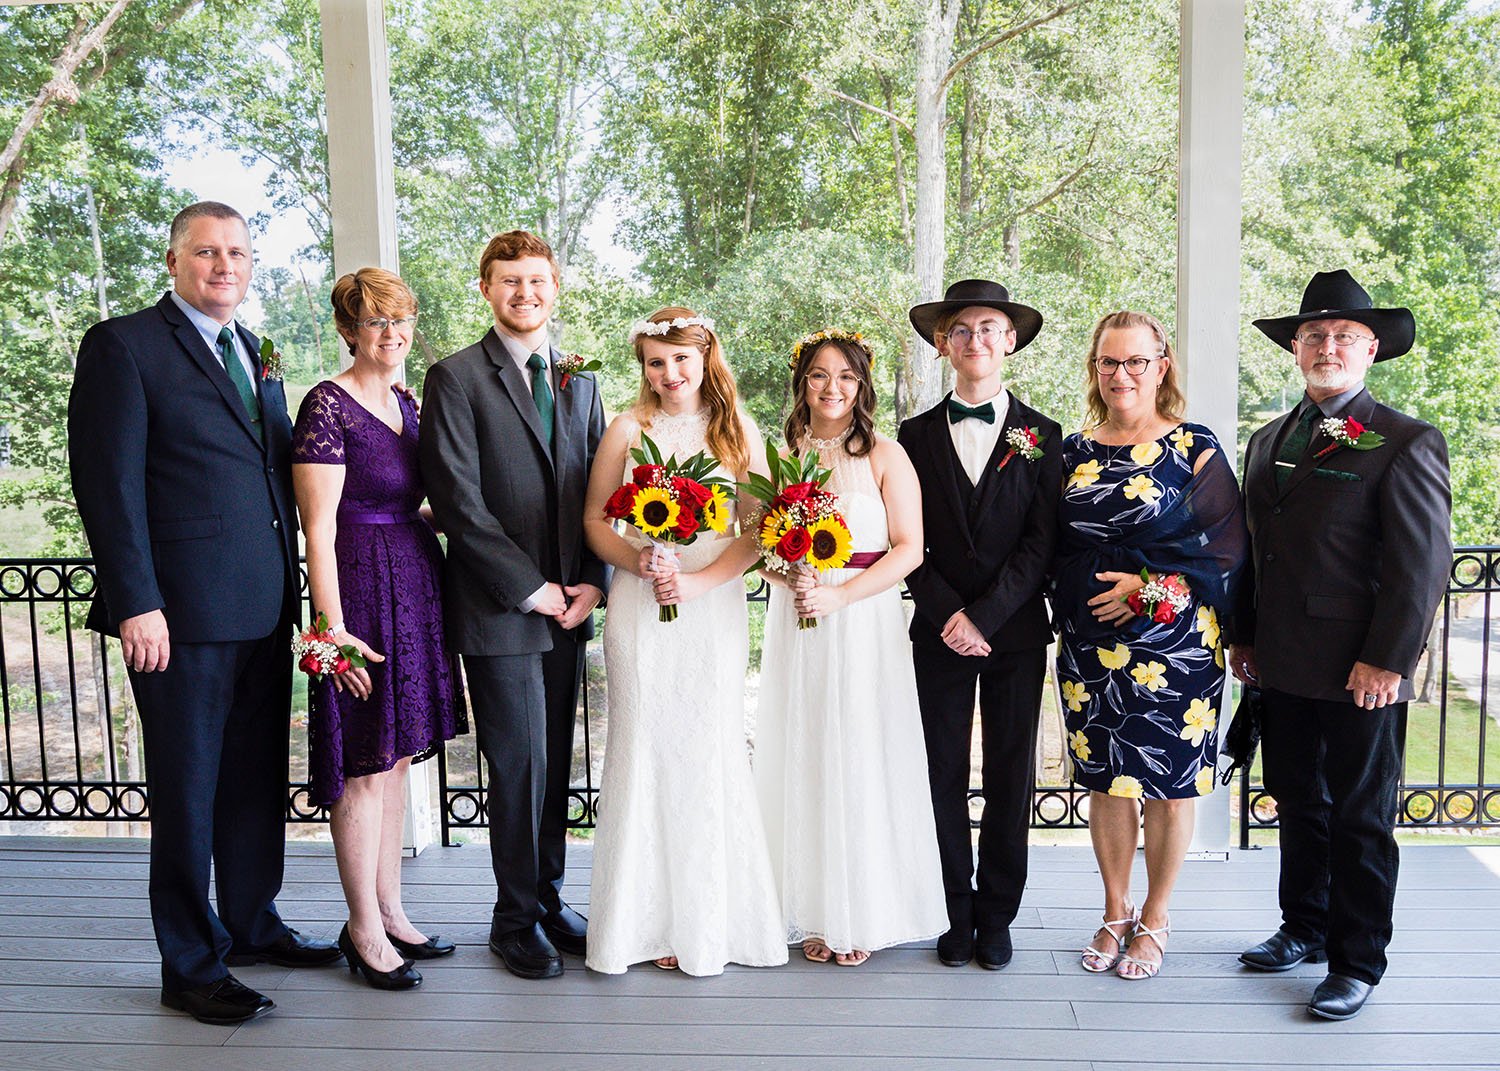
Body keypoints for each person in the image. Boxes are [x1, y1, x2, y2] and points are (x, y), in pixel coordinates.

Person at [67, 201, 340, 1025]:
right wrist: (135, 602)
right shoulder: (124, 346)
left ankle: (252, 923)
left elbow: (281, 465)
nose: (226, 266)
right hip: (178, 614)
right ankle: (189, 962)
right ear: (174, 259)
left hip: (262, 606)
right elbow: (107, 486)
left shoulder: (256, 351)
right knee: (188, 790)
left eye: (239, 254)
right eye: (207, 252)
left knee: (255, 780)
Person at [1229, 270, 1450, 1020]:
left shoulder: (1406, 441)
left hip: (1363, 668)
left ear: (1371, 349)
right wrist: (1245, 637)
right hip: (1282, 663)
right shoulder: (1266, 439)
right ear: (1295, 349)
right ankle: (1306, 925)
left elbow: (1421, 565)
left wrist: (1388, 659)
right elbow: (1254, 554)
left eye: (1344, 337)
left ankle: (1358, 961)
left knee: (1361, 815)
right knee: (1297, 802)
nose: (1328, 347)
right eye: (1314, 335)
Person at [419, 230, 606, 980]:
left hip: (570, 605)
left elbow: (603, 493)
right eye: (509, 281)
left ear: (555, 285)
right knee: (519, 763)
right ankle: (512, 917)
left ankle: (549, 897)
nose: (524, 292)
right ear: (486, 289)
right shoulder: (456, 376)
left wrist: (594, 578)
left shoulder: (580, 380)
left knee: (554, 760)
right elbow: (459, 503)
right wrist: (530, 587)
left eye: (536, 280)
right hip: (502, 606)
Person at [581, 308, 787, 976]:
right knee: (641, 746)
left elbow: (758, 531)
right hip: (641, 607)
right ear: (642, 365)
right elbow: (594, 516)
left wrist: (698, 582)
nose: (669, 374)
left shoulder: (738, 432)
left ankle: (705, 920)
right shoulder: (626, 427)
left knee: (706, 746)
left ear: (706, 358)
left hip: (710, 606)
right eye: (655, 362)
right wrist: (636, 558)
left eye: (680, 360)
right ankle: (639, 924)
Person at [1052, 310, 1246, 981]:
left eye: (1136, 361)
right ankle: (1114, 907)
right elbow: (1052, 547)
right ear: (1095, 369)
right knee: (1106, 783)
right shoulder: (1073, 452)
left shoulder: (1194, 445)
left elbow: (1225, 548)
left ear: (1161, 365)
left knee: (1167, 786)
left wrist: (1147, 588)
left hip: (1177, 646)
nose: (1121, 375)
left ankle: (1156, 915)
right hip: (1089, 647)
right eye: (1109, 362)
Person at [291, 268, 467, 990]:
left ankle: (392, 908)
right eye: (374, 322)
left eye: (400, 321)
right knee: (364, 764)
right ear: (347, 330)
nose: (391, 335)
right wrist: (329, 635)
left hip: (414, 582)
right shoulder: (325, 406)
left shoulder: (406, 399)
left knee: (395, 760)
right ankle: (361, 926)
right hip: (358, 585)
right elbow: (318, 529)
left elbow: (413, 500)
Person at [754, 330, 948, 967]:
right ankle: (809, 905)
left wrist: (841, 596)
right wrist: (789, 577)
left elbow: (910, 549)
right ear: (801, 382)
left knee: (860, 749)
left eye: (844, 376)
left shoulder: (886, 456)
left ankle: (859, 909)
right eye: (818, 375)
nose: (831, 388)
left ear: (861, 385)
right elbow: (757, 546)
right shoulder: (778, 455)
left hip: (863, 618)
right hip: (799, 616)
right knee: (804, 746)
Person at [898, 279, 1063, 970]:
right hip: (937, 633)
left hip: (1014, 635)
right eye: (962, 329)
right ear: (943, 343)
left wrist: (986, 617)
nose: (976, 341)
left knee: (1007, 777)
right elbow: (904, 540)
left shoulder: (1043, 435)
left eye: (990, 328)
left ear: (1010, 340)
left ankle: (997, 914)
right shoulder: (911, 436)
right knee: (937, 775)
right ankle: (953, 912)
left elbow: (1043, 543)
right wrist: (949, 615)